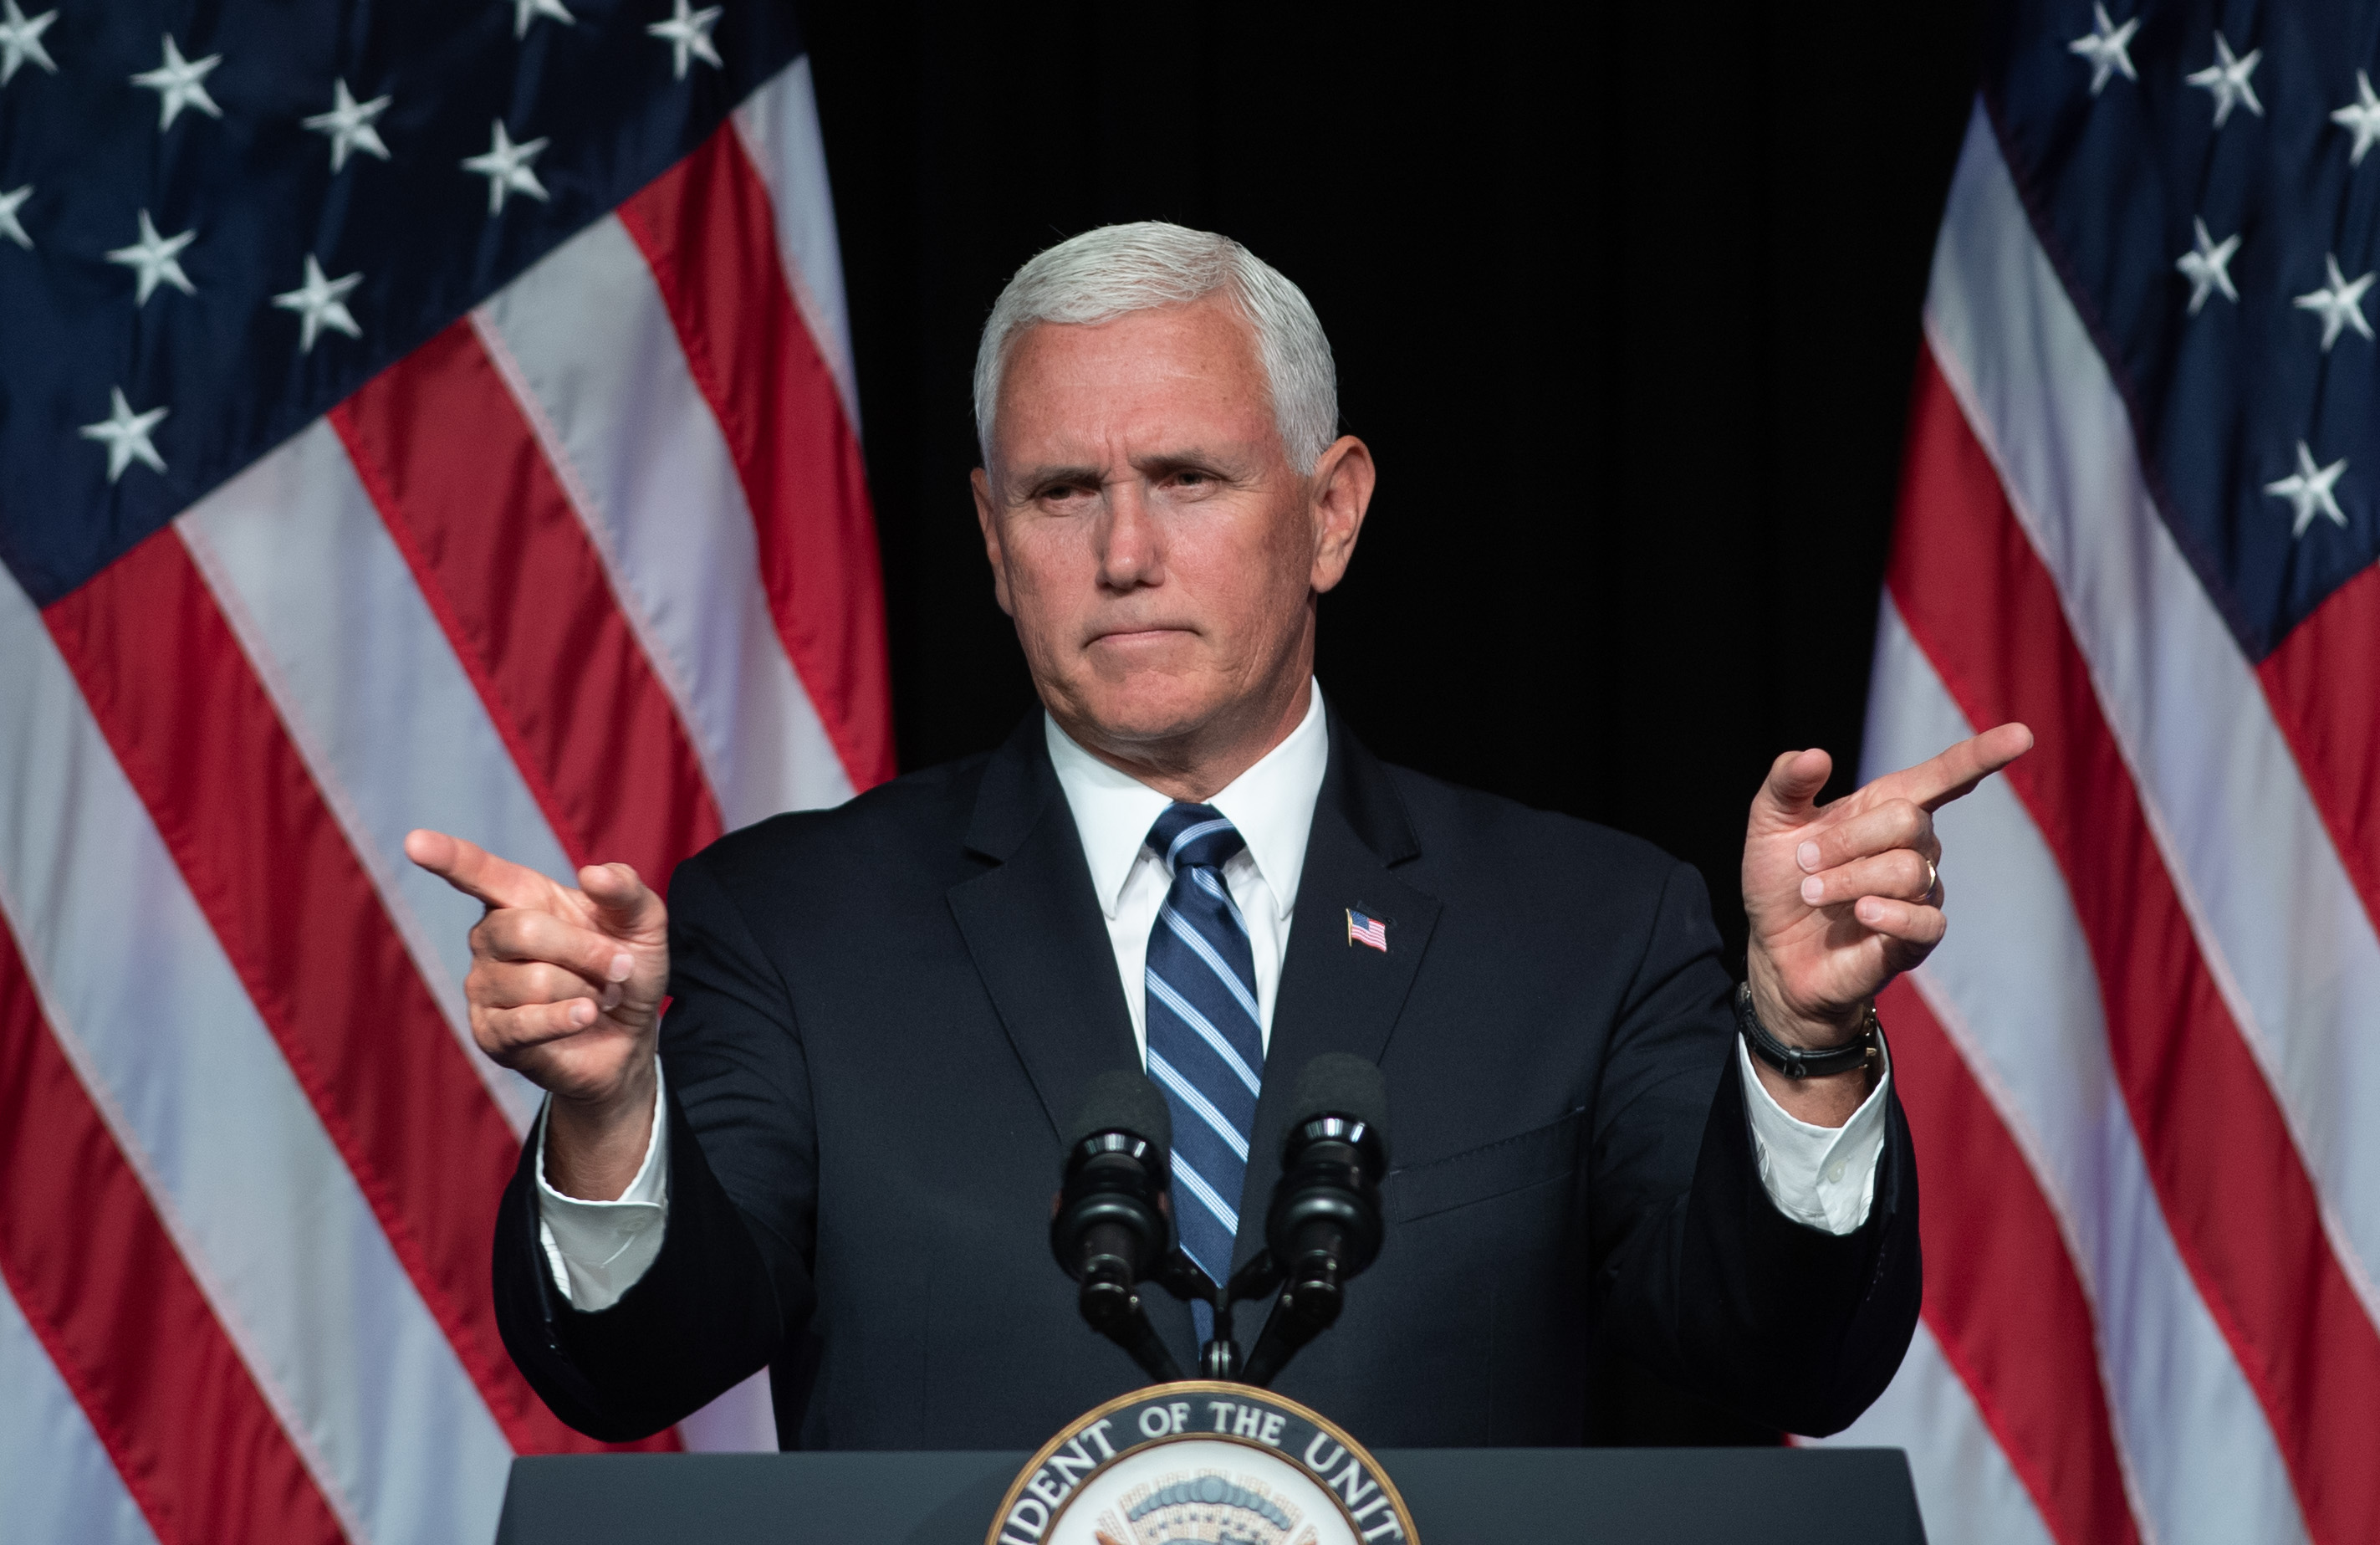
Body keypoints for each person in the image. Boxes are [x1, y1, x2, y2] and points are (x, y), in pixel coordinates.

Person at [406, 222, 2029, 1450]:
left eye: (1185, 476)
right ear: (988, 534)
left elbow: (1789, 1356)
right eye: (1059, 492)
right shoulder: (795, 926)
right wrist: (614, 1118)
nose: (1123, 550)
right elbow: (629, 1370)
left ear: (1330, 511)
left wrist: (1803, 1046)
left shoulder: (1584, 926)